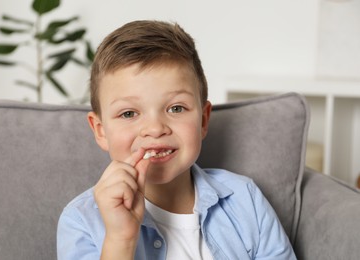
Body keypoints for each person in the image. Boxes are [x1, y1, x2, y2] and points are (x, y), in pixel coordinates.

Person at [57, 20, 296, 260]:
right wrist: (121, 239)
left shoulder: (245, 199)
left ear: (203, 120)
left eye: (176, 108)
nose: (154, 129)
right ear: (100, 131)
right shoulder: (80, 221)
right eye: (129, 113)